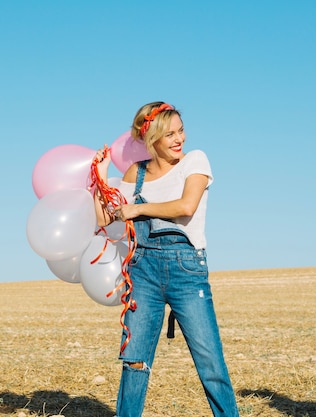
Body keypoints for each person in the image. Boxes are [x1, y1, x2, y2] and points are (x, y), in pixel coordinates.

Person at [93, 101, 240, 417]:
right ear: (151, 140)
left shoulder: (195, 162)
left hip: (187, 269)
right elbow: (106, 219)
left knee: (210, 362)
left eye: (181, 130)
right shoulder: (137, 173)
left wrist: (139, 209)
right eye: (170, 134)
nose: (179, 139)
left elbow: (186, 206)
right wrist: (100, 178)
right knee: (135, 361)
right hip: (142, 270)